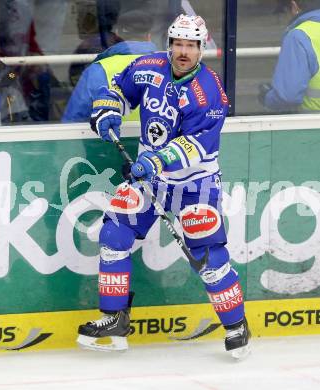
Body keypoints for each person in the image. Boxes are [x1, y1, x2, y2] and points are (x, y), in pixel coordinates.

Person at [77, 14, 250, 358]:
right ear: (169, 44)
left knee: (208, 255)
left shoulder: (210, 91)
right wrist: (107, 111)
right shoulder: (149, 67)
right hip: (149, 178)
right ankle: (114, 320)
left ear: (202, 48)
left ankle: (237, 327)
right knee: (114, 234)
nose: (183, 51)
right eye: (178, 44)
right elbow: (116, 91)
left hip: (193, 182)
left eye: (191, 45)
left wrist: (155, 161)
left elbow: (197, 145)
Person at [62, 9, 157, 123]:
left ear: (116, 34)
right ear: (149, 37)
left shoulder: (98, 70)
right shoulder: (170, 68)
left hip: (111, 140)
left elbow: (73, 121)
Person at [259, 0, 320, 112]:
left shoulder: (299, 36)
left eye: (285, 11)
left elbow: (288, 96)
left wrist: (266, 97)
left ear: (294, 5)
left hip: (312, 124)